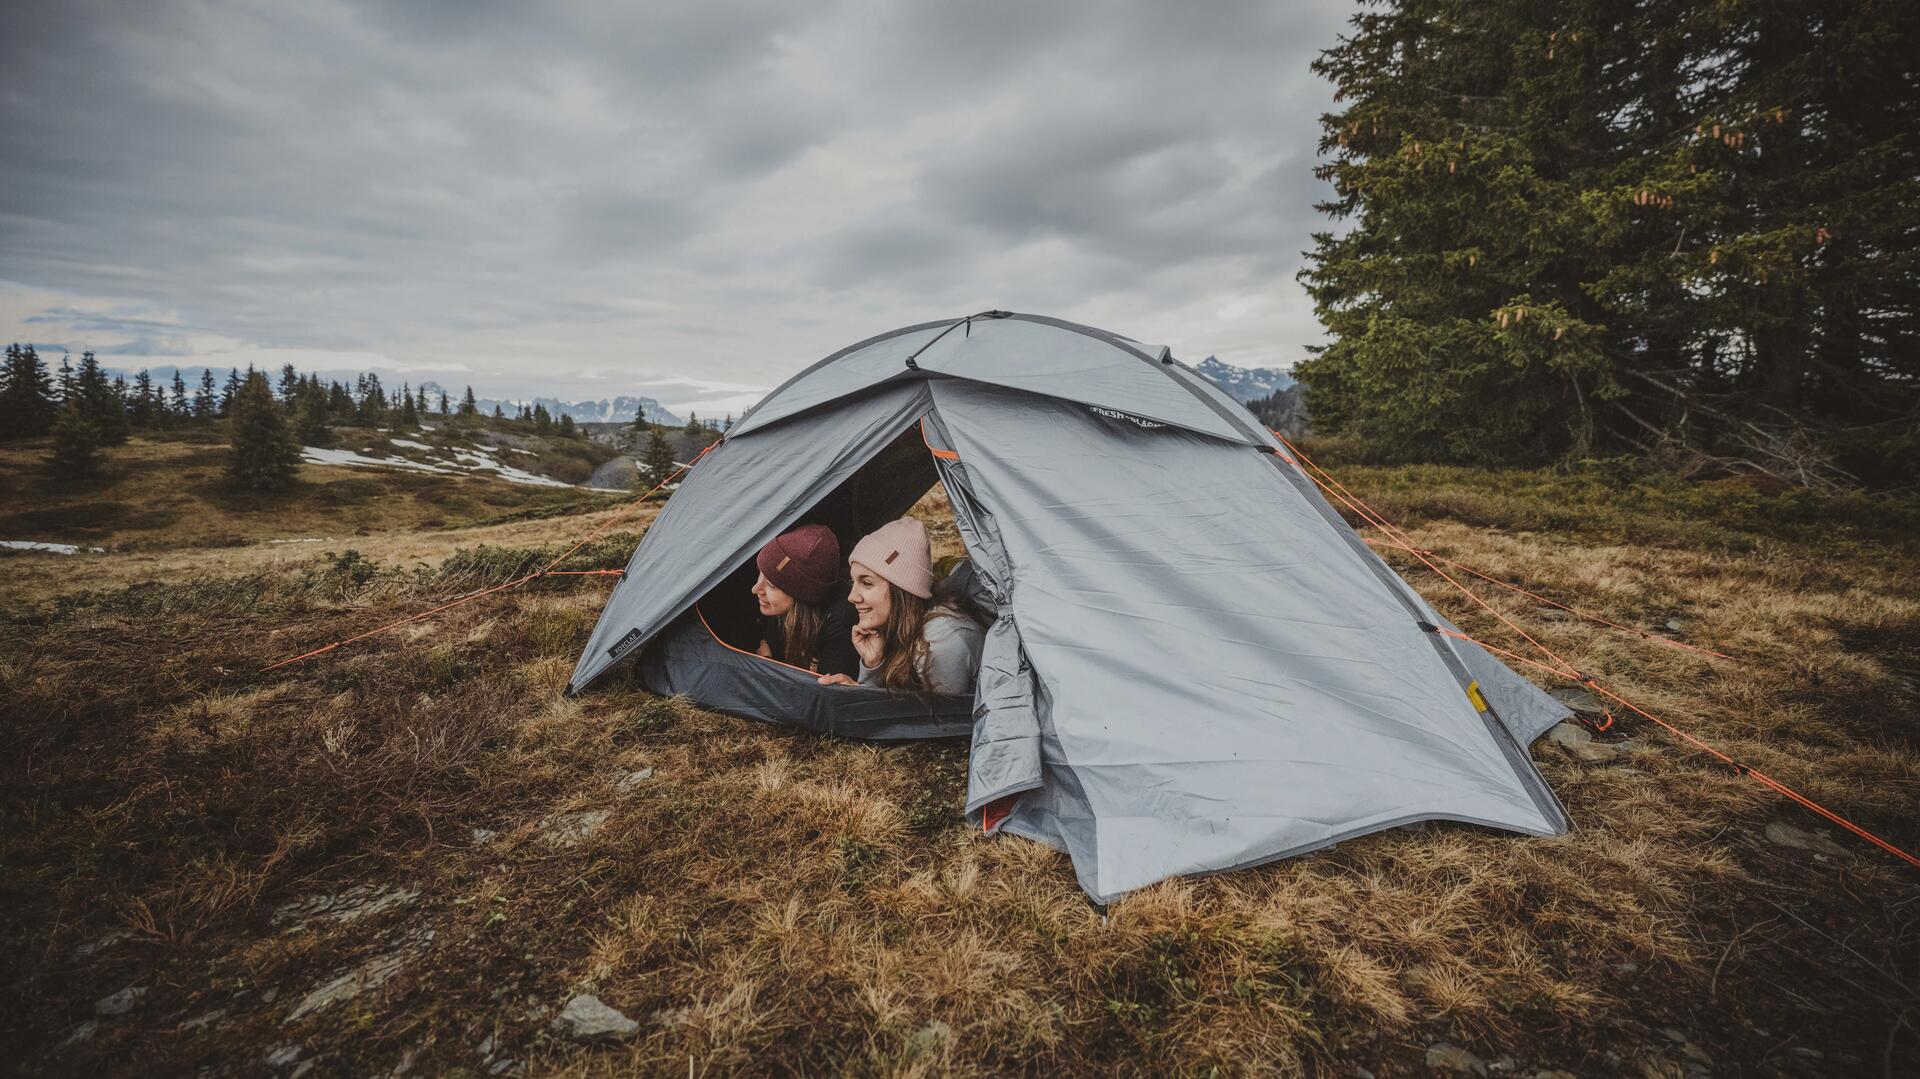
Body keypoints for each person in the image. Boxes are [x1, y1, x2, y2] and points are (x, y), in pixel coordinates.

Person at [817, 517, 984, 695]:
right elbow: (896, 713)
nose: (851, 597)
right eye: (853, 582)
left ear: (901, 589)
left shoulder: (941, 642)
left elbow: (942, 720)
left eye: (866, 583)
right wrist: (871, 668)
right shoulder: (899, 625)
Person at [750, 524, 860, 678]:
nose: (755, 589)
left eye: (771, 585)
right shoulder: (776, 607)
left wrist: (767, 664)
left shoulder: (842, 620)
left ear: (801, 594)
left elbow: (821, 696)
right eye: (760, 574)